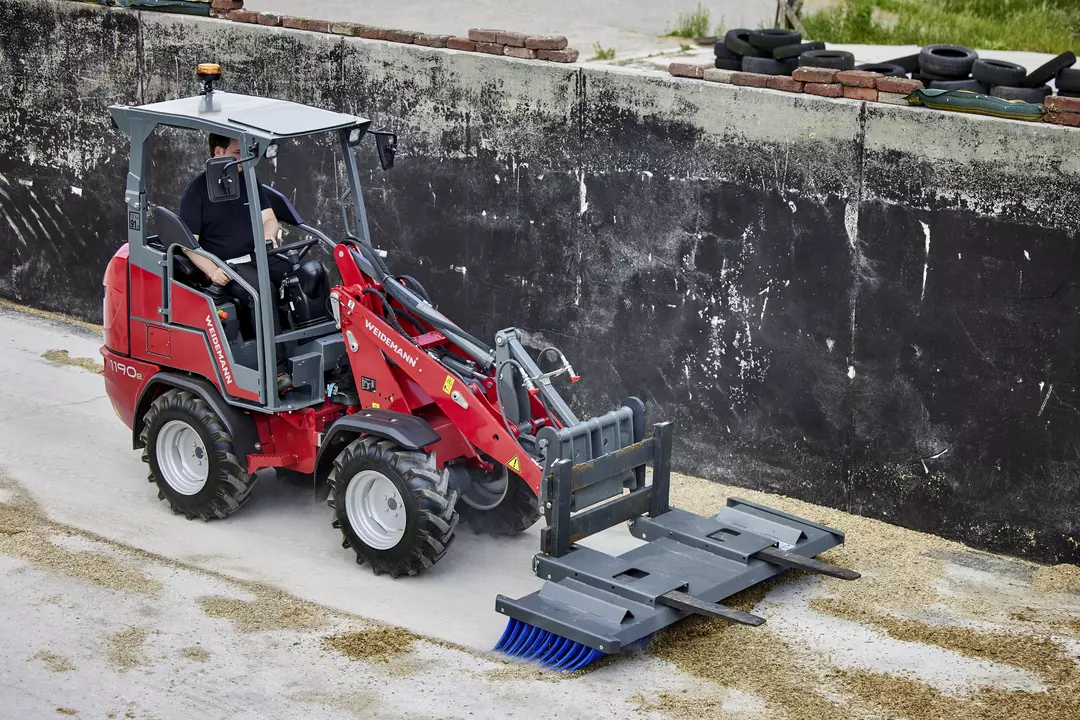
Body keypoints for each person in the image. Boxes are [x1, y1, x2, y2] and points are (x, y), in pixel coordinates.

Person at [179, 133, 289, 293]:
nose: (243, 157)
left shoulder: (249, 181)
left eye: (245, 152)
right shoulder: (196, 191)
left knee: (309, 273)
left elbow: (269, 219)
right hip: (227, 265)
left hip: (258, 257)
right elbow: (188, 245)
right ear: (218, 152)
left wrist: (266, 237)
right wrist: (213, 271)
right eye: (238, 153)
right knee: (263, 291)